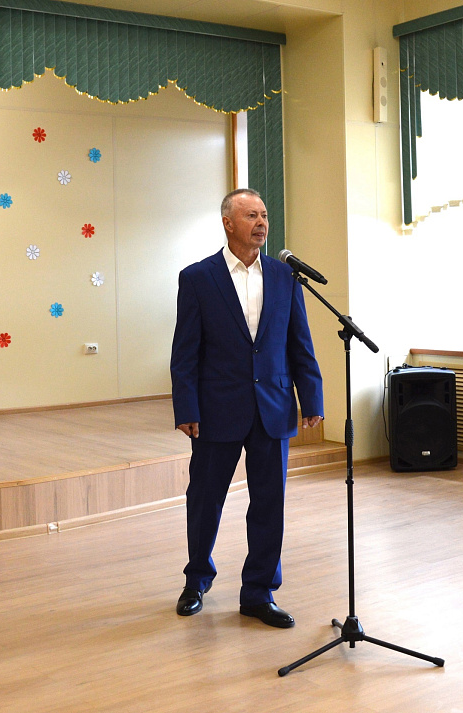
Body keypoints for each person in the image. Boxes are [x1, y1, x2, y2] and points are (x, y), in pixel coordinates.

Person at [170, 188, 324, 629]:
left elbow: (299, 342)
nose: (261, 223)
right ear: (228, 223)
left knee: (270, 504)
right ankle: (197, 580)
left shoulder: (285, 276)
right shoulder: (198, 278)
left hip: (273, 406)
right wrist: (187, 407)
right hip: (216, 409)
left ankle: (259, 592)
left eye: (264, 215)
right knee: (205, 500)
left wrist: (311, 396)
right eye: (251, 215)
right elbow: (185, 352)